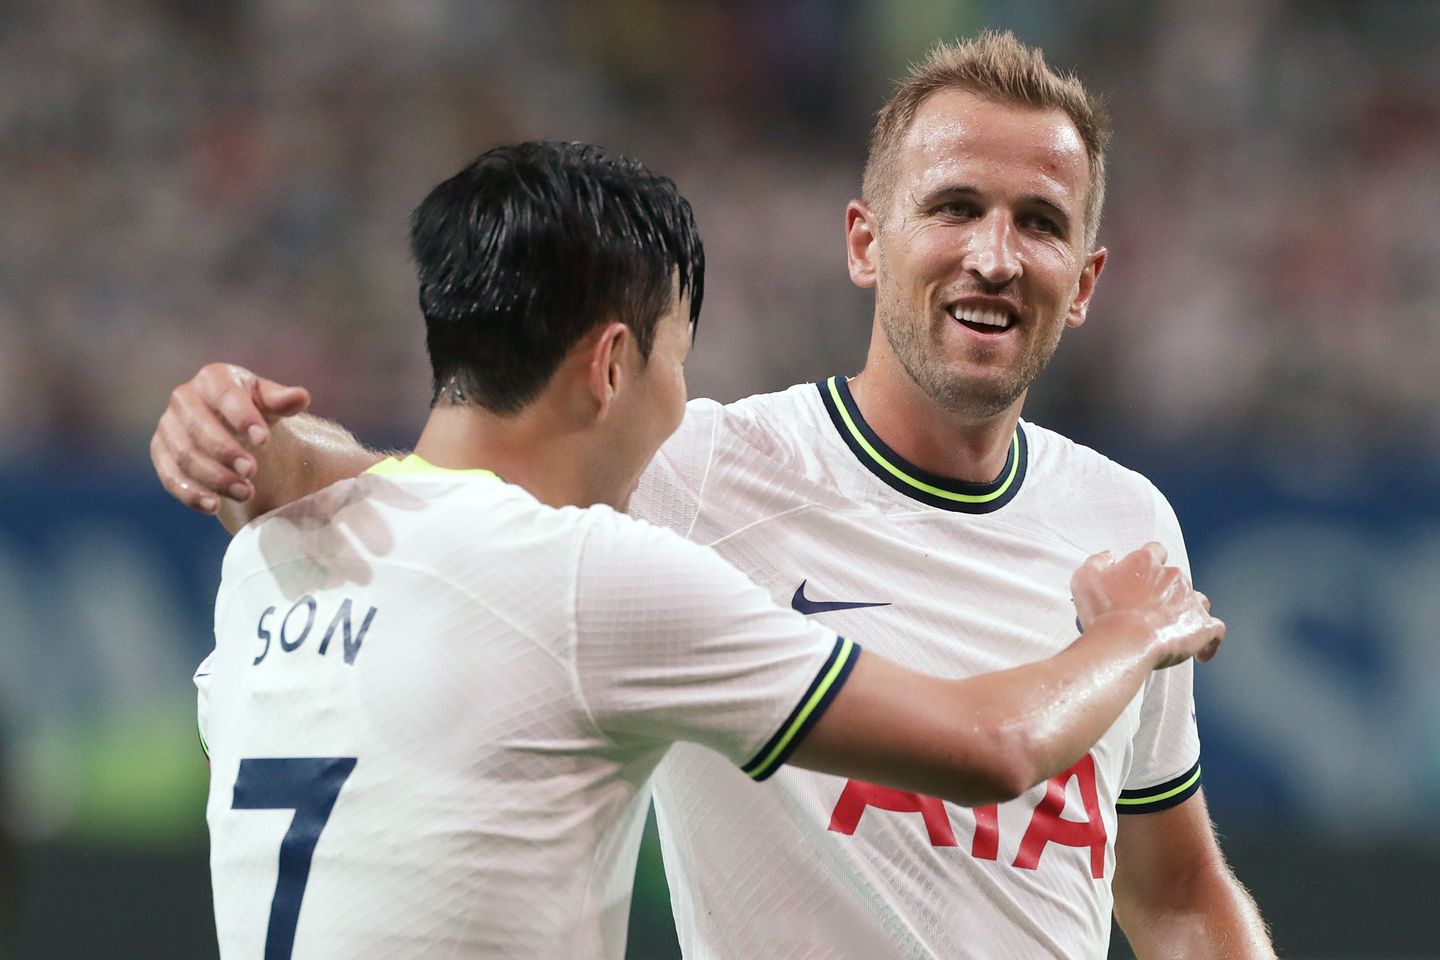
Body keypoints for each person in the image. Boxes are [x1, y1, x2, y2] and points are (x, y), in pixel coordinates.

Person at [152, 34, 1271, 960]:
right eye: (955, 206)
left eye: (1039, 222)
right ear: (865, 243)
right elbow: (454, 503)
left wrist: (266, 451)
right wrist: (268, 447)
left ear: (1085, 281)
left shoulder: (1126, 526)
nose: (994, 253)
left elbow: (1174, 899)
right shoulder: (693, 474)